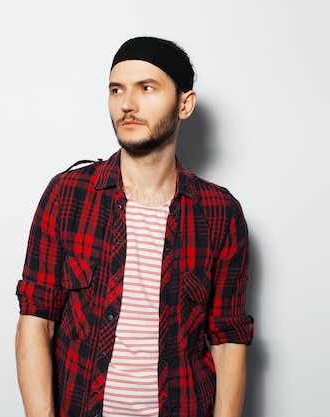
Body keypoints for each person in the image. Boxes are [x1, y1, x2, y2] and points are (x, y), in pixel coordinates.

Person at [15, 36, 254, 417]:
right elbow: (36, 322)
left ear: (184, 104)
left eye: (147, 88)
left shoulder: (219, 212)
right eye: (116, 90)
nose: (127, 104)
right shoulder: (68, 195)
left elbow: (227, 340)